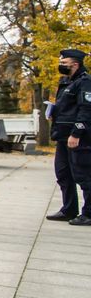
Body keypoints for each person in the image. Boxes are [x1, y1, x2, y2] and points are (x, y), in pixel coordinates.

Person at [46, 49, 91, 224]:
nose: (60, 65)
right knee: (63, 173)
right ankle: (69, 209)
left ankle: (88, 213)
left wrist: (77, 133)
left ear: (75, 64)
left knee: (83, 175)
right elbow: (67, 108)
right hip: (62, 136)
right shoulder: (66, 82)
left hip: (78, 138)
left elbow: (86, 109)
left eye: (64, 63)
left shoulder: (85, 82)